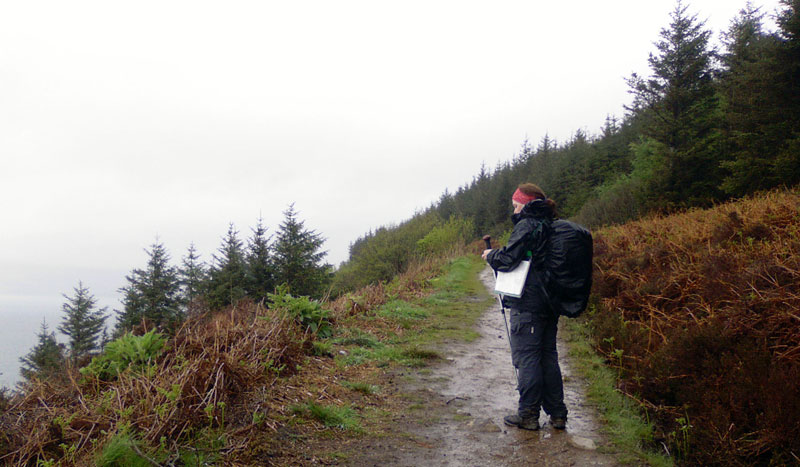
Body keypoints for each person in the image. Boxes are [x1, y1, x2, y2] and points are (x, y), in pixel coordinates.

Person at [481, 183, 567, 431]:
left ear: (527, 203)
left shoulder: (526, 225)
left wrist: (491, 256)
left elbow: (508, 259)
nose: (514, 209)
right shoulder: (550, 225)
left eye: (516, 204)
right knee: (548, 357)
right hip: (550, 302)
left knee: (527, 358)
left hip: (528, 303)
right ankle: (558, 414)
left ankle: (528, 415)